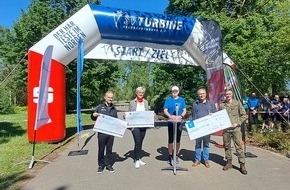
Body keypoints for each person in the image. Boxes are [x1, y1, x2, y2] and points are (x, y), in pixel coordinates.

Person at [219, 89, 248, 175]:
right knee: (227, 146)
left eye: (229, 94)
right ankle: (229, 162)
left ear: (232, 94)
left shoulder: (237, 103)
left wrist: (237, 123)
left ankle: (242, 164)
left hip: (236, 129)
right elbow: (218, 117)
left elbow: (244, 115)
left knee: (239, 147)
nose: (228, 95)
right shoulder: (222, 105)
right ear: (225, 95)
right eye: (226, 94)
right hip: (226, 130)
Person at [91, 91, 118, 174]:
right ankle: (100, 165)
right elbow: (93, 117)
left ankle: (108, 164)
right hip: (102, 133)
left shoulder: (114, 108)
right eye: (109, 97)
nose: (110, 99)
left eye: (111, 97)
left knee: (109, 149)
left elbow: (116, 120)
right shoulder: (99, 107)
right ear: (105, 98)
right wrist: (93, 115)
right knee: (101, 149)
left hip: (111, 132)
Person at [191, 88, 217, 168]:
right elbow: (192, 116)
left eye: (203, 93)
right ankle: (197, 160)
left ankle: (206, 160)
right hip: (198, 128)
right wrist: (190, 125)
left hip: (207, 128)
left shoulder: (211, 104)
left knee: (206, 144)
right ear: (198, 95)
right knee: (198, 144)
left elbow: (215, 114)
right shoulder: (195, 104)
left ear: (206, 94)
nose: (201, 95)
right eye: (200, 94)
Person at [126, 87, 149, 169]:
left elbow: (147, 113)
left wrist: (151, 116)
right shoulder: (132, 102)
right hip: (135, 125)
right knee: (137, 141)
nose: (141, 93)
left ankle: (139, 158)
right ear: (136, 93)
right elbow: (129, 112)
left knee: (141, 141)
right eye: (139, 92)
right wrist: (126, 116)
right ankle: (136, 159)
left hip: (143, 125)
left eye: (142, 92)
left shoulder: (146, 102)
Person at [163, 86, 187, 165]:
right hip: (171, 121)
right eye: (173, 91)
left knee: (177, 139)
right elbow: (165, 110)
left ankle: (176, 155)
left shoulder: (181, 100)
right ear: (171, 92)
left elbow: (184, 110)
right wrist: (170, 116)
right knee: (170, 139)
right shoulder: (168, 100)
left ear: (178, 92)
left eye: (176, 91)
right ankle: (170, 155)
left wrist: (181, 116)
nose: (174, 92)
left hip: (179, 122)